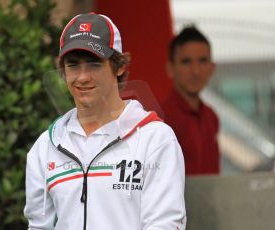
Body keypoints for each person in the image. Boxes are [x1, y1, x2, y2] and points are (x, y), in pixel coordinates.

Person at [24, 13, 186, 230]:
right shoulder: (45, 147)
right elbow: (38, 226)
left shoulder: (155, 139)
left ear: (119, 67)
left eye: (94, 64)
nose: (82, 77)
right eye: (73, 65)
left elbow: (164, 225)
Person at [161, 26, 220, 175]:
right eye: (186, 62)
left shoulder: (211, 116)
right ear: (170, 68)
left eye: (203, 61)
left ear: (212, 68)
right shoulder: (159, 118)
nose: (196, 71)